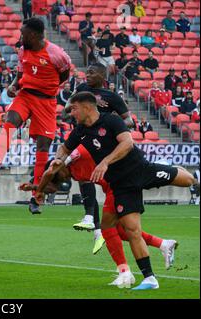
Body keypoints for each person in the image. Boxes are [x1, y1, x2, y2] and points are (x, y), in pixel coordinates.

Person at [52, 91, 197, 289]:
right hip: (121, 185)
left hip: (141, 170)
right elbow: (64, 148)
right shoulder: (79, 131)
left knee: (188, 180)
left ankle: (176, 171)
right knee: (132, 230)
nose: (72, 113)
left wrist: (105, 161)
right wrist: (59, 158)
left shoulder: (111, 121)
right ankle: (149, 278)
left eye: (74, 109)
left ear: (87, 107)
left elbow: (128, 142)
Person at [22, 143, 180, 288]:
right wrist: (36, 187)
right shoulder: (72, 172)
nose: (63, 179)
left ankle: (125, 273)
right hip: (112, 187)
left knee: (107, 228)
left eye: (59, 176)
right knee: (120, 231)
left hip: (118, 184)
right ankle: (163, 244)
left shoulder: (75, 156)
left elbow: (59, 169)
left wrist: (40, 189)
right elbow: (53, 185)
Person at [0, 18, 71, 215]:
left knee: (43, 145)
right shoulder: (23, 49)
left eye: (23, 34)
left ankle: (36, 196)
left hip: (47, 102)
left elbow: (64, 75)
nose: (20, 37)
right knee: (10, 122)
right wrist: (14, 86)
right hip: (26, 95)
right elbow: (20, 72)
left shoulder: (56, 54)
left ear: (34, 35)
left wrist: (48, 86)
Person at [66, 63, 134, 235]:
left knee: (95, 179)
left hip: (101, 143)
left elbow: (129, 122)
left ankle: (99, 222)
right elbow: (67, 109)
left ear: (102, 77)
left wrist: (112, 122)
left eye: (91, 72)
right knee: (82, 174)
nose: (87, 75)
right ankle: (92, 221)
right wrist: (90, 102)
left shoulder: (112, 97)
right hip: (82, 136)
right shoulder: (82, 89)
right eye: (87, 71)